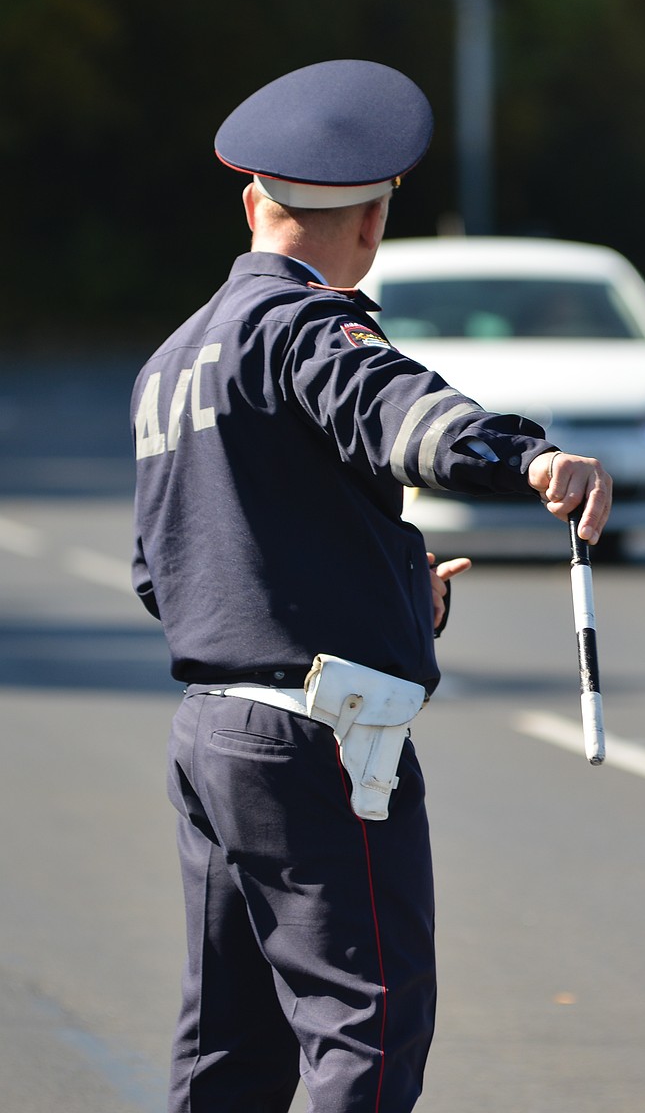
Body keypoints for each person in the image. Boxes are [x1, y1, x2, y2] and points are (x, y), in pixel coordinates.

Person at [130, 59, 612, 1113]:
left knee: (228, 1047)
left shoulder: (172, 359)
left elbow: (171, 572)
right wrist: (525, 457)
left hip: (213, 734)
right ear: (373, 222)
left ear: (253, 201)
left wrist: (387, 591)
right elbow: (398, 413)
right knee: (368, 1024)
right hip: (319, 744)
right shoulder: (307, 323)